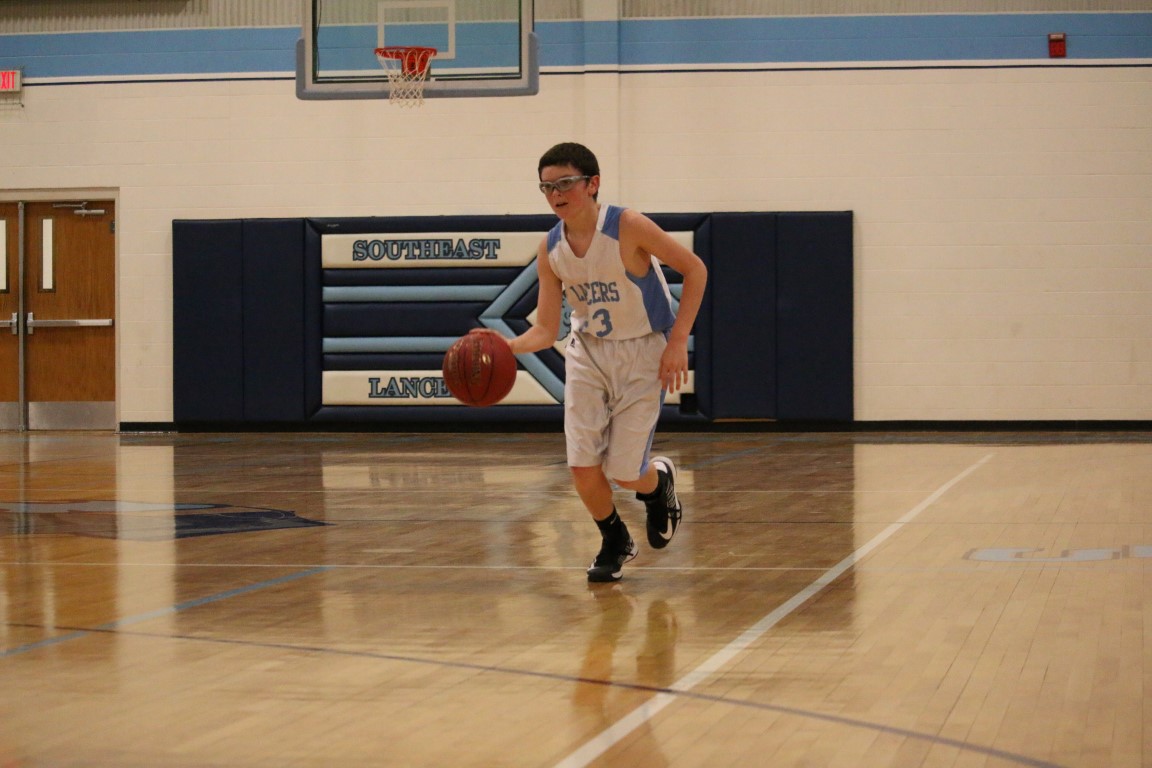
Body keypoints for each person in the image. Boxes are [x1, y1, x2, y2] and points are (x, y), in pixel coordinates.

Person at [505, 142, 707, 582]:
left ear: (592, 184)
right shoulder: (550, 248)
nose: (555, 194)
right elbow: (546, 330)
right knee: (582, 466)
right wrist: (505, 348)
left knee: (625, 472)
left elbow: (695, 270)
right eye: (546, 187)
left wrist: (678, 341)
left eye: (564, 183)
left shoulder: (627, 225)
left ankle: (659, 483)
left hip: (643, 351)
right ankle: (614, 538)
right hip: (588, 353)